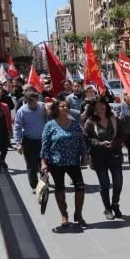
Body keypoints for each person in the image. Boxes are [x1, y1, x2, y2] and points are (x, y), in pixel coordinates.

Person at [40, 96, 88, 229]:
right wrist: (43, 162)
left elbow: (81, 141)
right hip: (56, 162)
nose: (65, 108)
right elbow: (45, 145)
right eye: (62, 106)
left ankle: (78, 213)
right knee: (60, 189)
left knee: (80, 188)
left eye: (67, 106)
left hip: (73, 161)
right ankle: (64, 214)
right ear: (56, 109)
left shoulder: (75, 125)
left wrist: (85, 155)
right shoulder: (50, 125)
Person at [84, 97, 126, 220]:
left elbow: (122, 135)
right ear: (94, 108)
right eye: (98, 105)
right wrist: (100, 143)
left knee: (118, 181)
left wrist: (115, 143)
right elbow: (86, 138)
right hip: (99, 157)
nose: (102, 107)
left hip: (115, 154)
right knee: (105, 183)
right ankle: (107, 208)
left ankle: (115, 204)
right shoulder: (90, 122)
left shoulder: (114, 119)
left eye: (103, 104)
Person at [14, 92, 48, 193]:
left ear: (37, 100)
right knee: (32, 166)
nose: (33, 103)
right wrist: (18, 143)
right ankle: (35, 186)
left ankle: (44, 181)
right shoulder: (22, 111)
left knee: (44, 163)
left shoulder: (42, 107)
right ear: (26, 101)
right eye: (30, 101)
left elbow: (52, 110)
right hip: (29, 141)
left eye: (34, 101)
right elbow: (17, 128)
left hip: (43, 141)